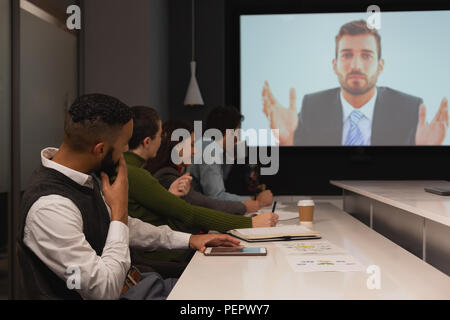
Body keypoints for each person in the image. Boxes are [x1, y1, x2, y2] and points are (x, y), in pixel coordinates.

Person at [17, 94, 241, 300]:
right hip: (124, 292)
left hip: (140, 285)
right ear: (100, 149)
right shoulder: (50, 207)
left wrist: (189, 240)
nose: (127, 149)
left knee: (232, 284)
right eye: (124, 144)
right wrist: (119, 210)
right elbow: (104, 289)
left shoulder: (86, 178)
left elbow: (122, 227)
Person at [124, 106, 278, 263]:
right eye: (160, 135)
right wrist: (249, 222)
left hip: (165, 251)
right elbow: (190, 212)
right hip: (165, 258)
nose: (195, 151)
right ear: (147, 141)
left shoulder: (139, 172)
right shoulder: (139, 174)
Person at [262, 20, 448, 146]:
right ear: (335, 65)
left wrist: (423, 149)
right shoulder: (312, 107)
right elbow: (301, 172)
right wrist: (287, 142)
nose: (356, 65)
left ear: (380, 65)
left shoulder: (409, 108)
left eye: (366, 56)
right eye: (347, 55)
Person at [146, 119, 247, 215]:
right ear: (177, 146)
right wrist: (245, 206)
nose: (195, 151)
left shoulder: (171, 171)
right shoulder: (168, 177)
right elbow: (202, 204)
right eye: (192, 145)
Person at [188, 106, 274, 213]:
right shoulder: (209, 150)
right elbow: (216, 197)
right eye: (238, 131)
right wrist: (255, 200)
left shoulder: (215, 148)